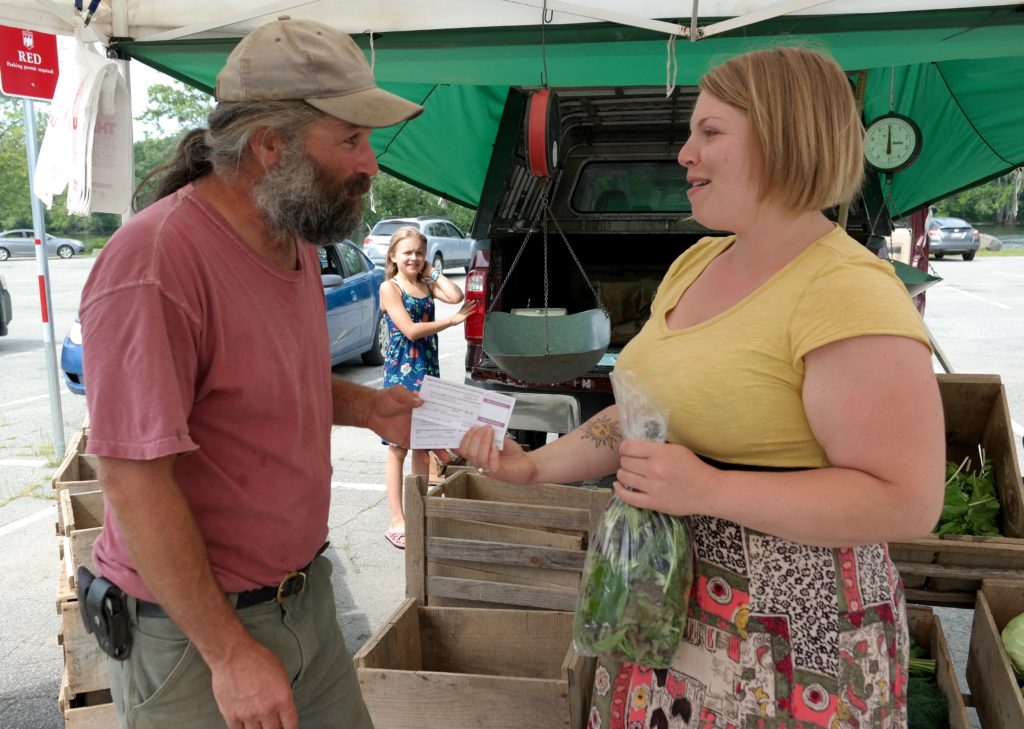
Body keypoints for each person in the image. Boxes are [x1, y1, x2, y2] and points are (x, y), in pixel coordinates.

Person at [459, 46, 944, 729]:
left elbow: (907, 499)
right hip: (662, 615)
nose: (685, 153)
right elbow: (644, 416)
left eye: (710, 132)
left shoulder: (847, 290)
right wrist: (535, 465)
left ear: (786, 140)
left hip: (791, 641)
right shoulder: (698, 260)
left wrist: (712, 490)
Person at [78, 17, 425, 729]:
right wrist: (229, 652)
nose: (371, 164)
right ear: (271, 146)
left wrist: (370, 408)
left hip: (304, 601)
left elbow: (268, 384)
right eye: (350, 140)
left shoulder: (292, 237)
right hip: (193, 636)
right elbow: (133, 479)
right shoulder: (156, 263)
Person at [379, 226, 474, 549]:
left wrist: (432, 272)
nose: (414, 258)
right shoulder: (389, 287)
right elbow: (409, 330)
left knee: (422, 446)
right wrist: (450, 321)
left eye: (419, 252)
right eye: (407, 252)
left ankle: (417, 513)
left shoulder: (424, 283)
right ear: (393, 255)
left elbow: (456, 296)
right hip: (402, 374)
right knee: (398, 447)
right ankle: (397, 519)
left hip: (428, 370)